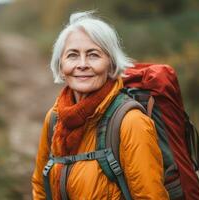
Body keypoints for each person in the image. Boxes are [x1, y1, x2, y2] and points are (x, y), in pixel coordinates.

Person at [31, 11, 169, 200]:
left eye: (93, 55)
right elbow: (40, 186)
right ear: (61, 66)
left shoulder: (130, 122)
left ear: (111, 65)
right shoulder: (55, 118)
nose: (82, 64)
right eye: (72, 55)